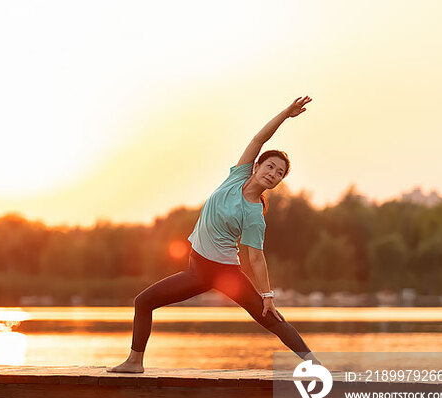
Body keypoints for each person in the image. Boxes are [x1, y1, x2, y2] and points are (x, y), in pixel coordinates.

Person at [107, 96, 321, 373]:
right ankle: (135, 362)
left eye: (279, 173)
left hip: (224, 272)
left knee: (271, 319)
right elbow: (258, 140)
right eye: (269, 166)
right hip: (197, 268)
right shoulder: (237, 176)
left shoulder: (254, 214)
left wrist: (267, 294)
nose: (273, 173)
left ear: (278, 182)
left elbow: (256, 258)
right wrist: (285, 114)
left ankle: (318, 367)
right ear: (256, 167)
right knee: (143, 302)